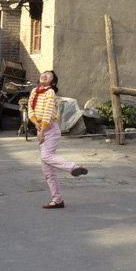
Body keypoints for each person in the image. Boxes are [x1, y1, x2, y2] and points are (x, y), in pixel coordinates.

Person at [28, 70, 88, 209]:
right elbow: (30, 108)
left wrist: (42, 129)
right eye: (43, 73)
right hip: (40, 129)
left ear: (53, 82)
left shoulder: (50, 93)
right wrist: (35, 123)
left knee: (47, 156)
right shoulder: (34, 91)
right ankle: (58, 200)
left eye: (48, 76)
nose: (44, 75)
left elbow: (49, 112)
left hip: (50, 130)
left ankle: (74, 168)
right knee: (47, 170)